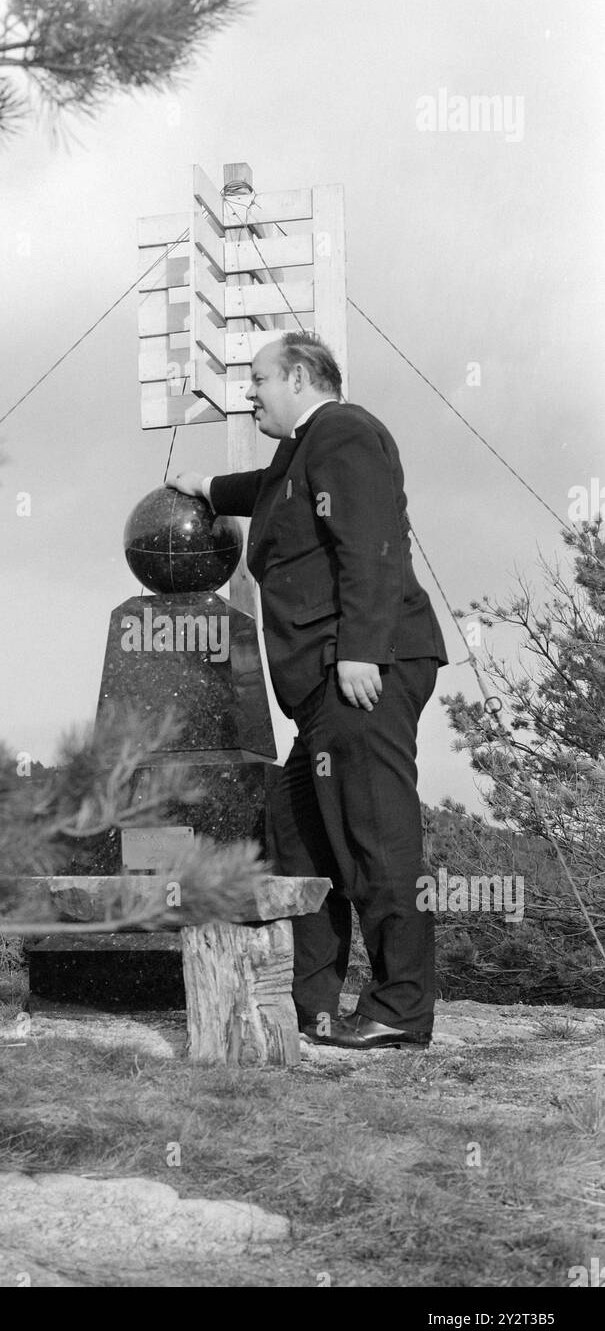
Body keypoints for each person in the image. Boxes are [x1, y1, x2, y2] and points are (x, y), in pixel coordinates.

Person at [167, 332, 448, 1050]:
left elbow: (371, 544)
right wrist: (203, 490)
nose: (248, 393)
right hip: (323, 686)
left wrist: (360, 652)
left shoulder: (345, 431)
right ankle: (311, 1007)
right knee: (298, 831)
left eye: (257, 379)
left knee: (374, 837)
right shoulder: (300, 453)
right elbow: (266, 490)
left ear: (297, 376)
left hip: (361, 669)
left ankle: (399, 1010)